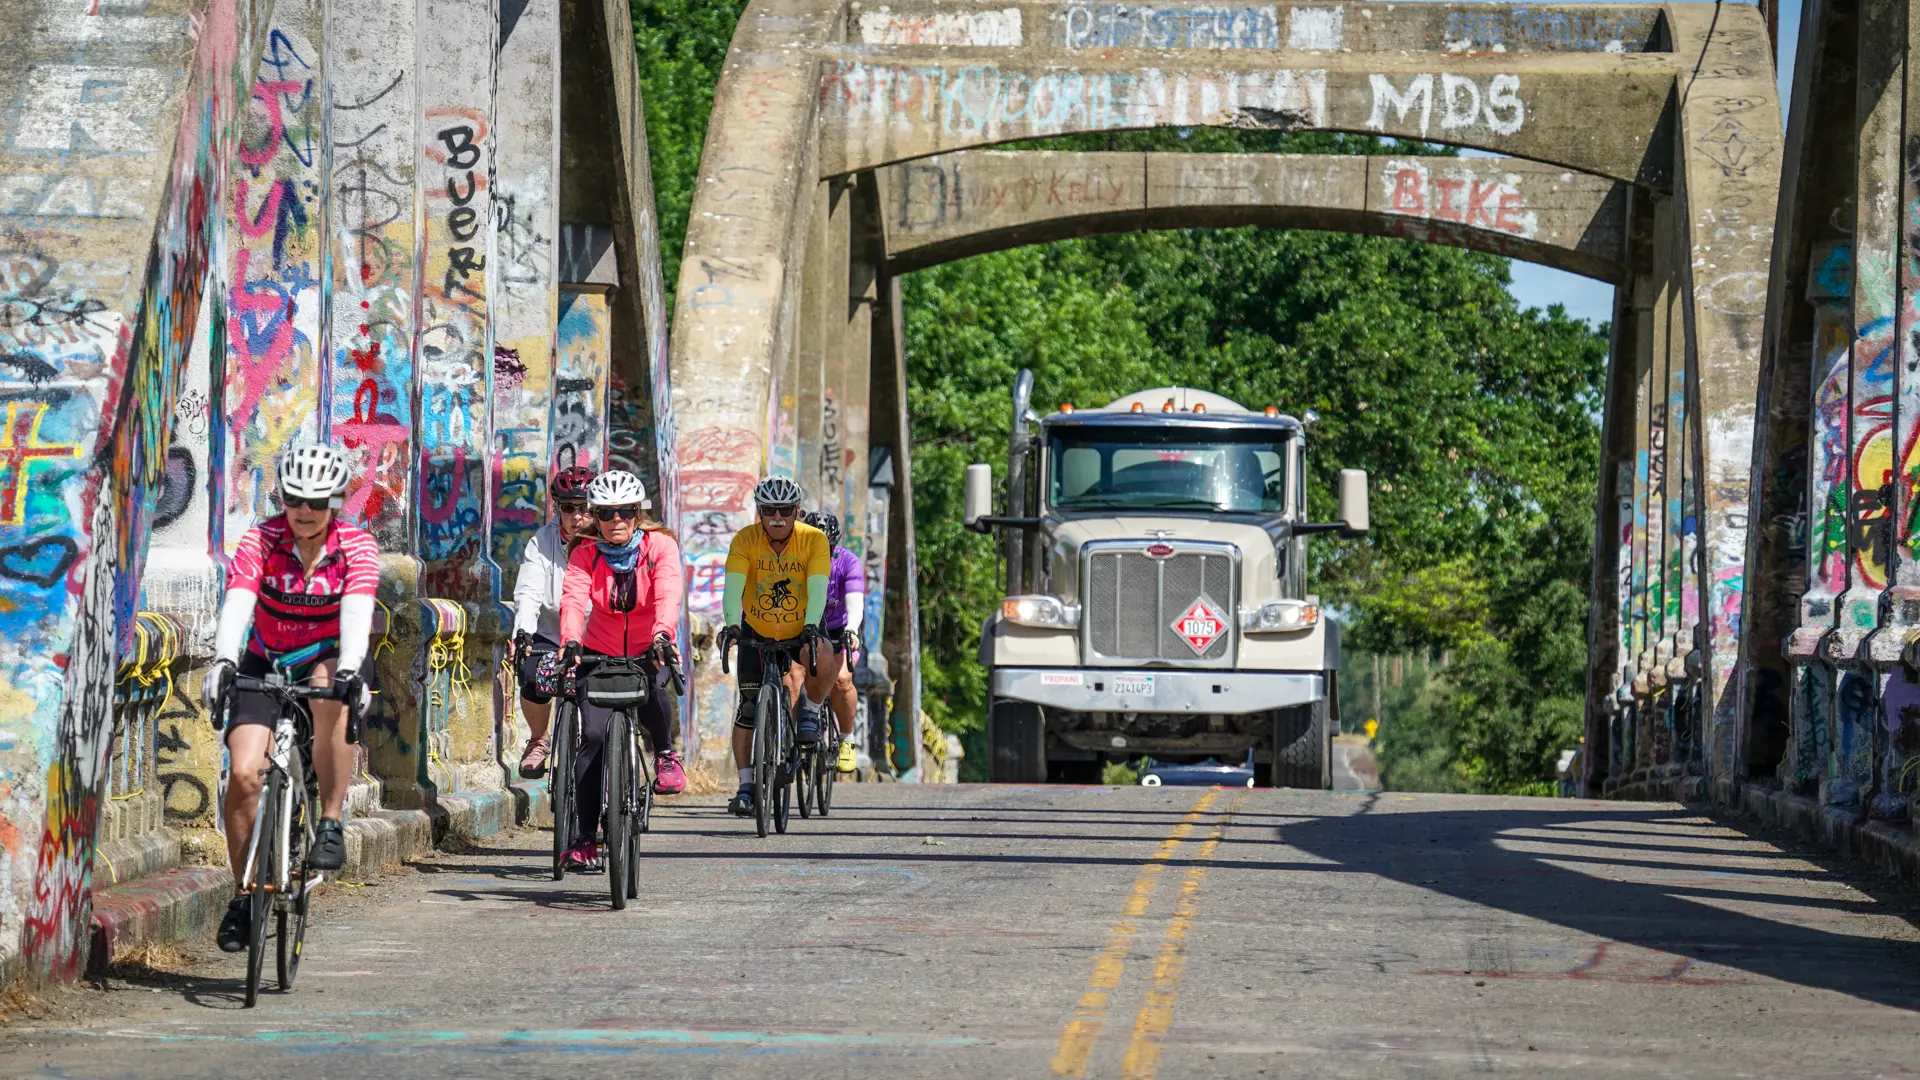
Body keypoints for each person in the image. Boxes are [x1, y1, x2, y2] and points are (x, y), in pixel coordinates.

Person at [201, 444, 378, 953]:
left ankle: (330, 820)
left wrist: (349, 669)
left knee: (329, 696)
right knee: (242, 774)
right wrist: (223, 660)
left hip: (328, 653)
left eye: (317, 502)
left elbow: (357, 611)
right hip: (265, 657)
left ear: (337, 503)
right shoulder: (261, 537)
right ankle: (244, 894)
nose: (303, 510)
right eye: (294, 498)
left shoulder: (357, 547)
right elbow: (239, 600)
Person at [556, 470, 686, 868]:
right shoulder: (585, 552)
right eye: (608, 513)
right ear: (595, 515)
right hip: (598, 652)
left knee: (653, 695)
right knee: (593, 738)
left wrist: (663, 634)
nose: (617, 521)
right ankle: (584, 836)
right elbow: (575, 598)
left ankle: (664, 753)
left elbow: (668, 590)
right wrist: (571, 642)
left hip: (651, 647)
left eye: (626, 512)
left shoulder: (659, 546)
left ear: (638, 512)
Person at [718, 476, 832, 817]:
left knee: (825, 655)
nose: (778, 517)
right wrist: (731, 624)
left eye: (785, 510)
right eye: (769, 510)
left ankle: (809, 708)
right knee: (748, 707)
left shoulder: (814, 540)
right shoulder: (745, 540)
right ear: (760, 511)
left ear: (797, 511)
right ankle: (746, 785)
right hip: (758, 628)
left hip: (802, 626)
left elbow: (818, 585)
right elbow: (733, 585)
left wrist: (812, 624)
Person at [507, 466, 598, 780]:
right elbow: (529, 590)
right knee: (530, 675)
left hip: (598, 636)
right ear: (557, 508)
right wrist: (523, 633)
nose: (577, 516)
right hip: (552, 632)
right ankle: (538, 740)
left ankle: (609, 770)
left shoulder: (606, 540)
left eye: (584, 507)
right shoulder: (542, 541)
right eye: (568, 508)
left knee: (601, 700)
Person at [784, 510, 865, 774]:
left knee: (842, 680)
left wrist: (852, 629)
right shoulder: (793, 559)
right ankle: (795, 740)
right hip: (803, 628)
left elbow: (854, 599)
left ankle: (847, 739)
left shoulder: (847, 562)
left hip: (839, 630)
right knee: (793, 677)